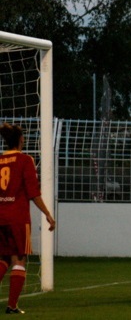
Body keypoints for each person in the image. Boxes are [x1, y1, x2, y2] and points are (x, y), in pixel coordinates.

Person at [0, 123, 56, 314]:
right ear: (21, 139)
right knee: (20, 260)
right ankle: (12, 305)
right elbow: (33, 193)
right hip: (17, 218)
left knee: (4, 258)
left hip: (0, 217)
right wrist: (48, 214)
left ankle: (12, 305)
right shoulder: (25, 160)